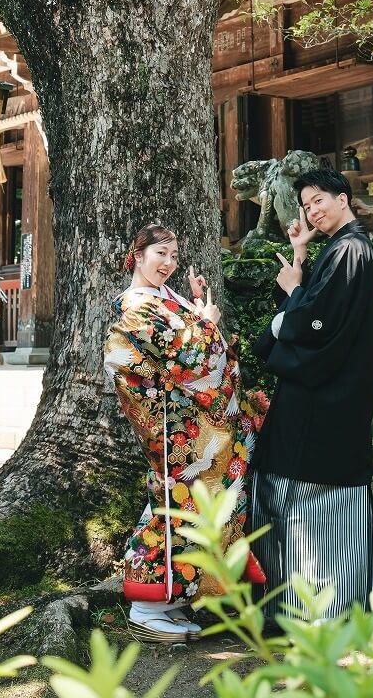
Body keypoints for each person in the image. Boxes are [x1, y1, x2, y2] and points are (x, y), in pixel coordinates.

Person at [104, 222, 266, 642]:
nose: (168, 264)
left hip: (194, 427)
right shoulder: (136, 306)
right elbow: (191, 355)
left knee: (201, 506)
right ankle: (146, 604)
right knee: (177, 507)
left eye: (173, 256)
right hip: (176, 429)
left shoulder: (164, 299)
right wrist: (207, 324)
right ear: (137, 255)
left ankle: (173, 600)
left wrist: (196, 308)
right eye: (160, 254)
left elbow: (195, 346)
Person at [250, 167, 373, 621]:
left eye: (318, 201)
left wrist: (289, 299)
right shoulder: (341, 250)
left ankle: (312, 609)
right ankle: (314, 606)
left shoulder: (349, 251)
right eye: (306, 205)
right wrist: (300, 255)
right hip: (332, 395)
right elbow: (320, 311)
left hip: (327, 399)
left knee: (308, 491)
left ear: (343, 198)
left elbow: (319, 324)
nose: (312, 211)